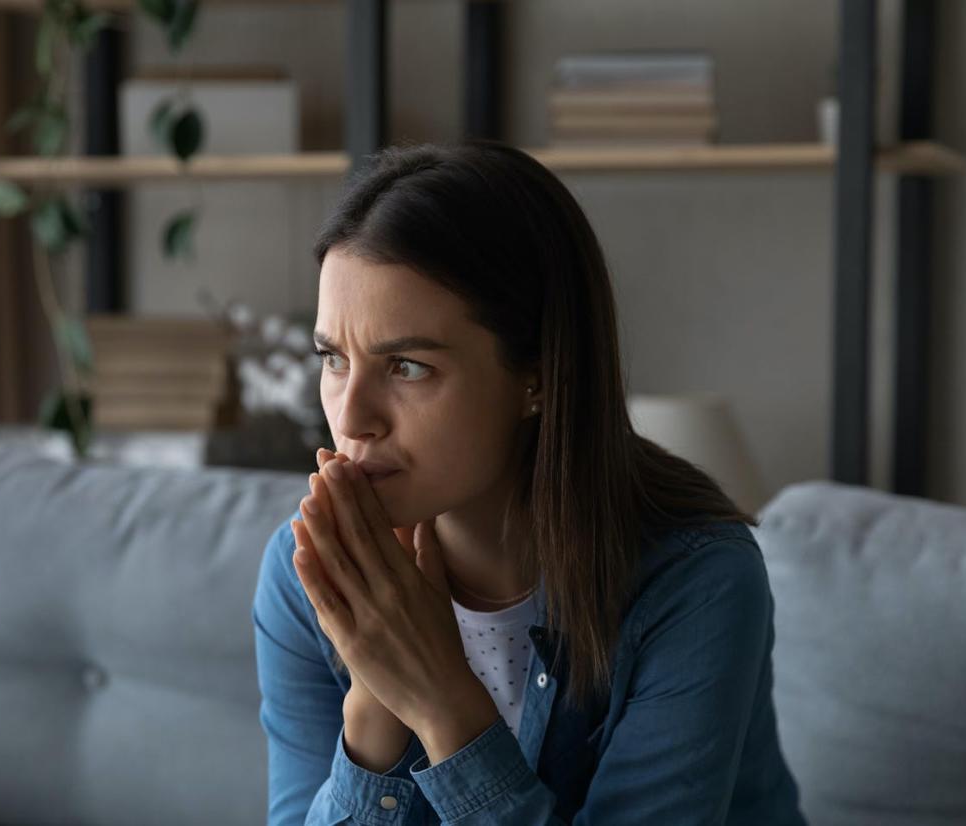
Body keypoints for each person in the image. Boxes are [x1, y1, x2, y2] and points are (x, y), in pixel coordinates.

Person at [250, 138, 807, 825]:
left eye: (407, 367)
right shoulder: (303, 572)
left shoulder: (694, 581)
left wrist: (441, 702)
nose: (351, 416)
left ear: (536, 376)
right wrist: (373, 697)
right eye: (334, 359)